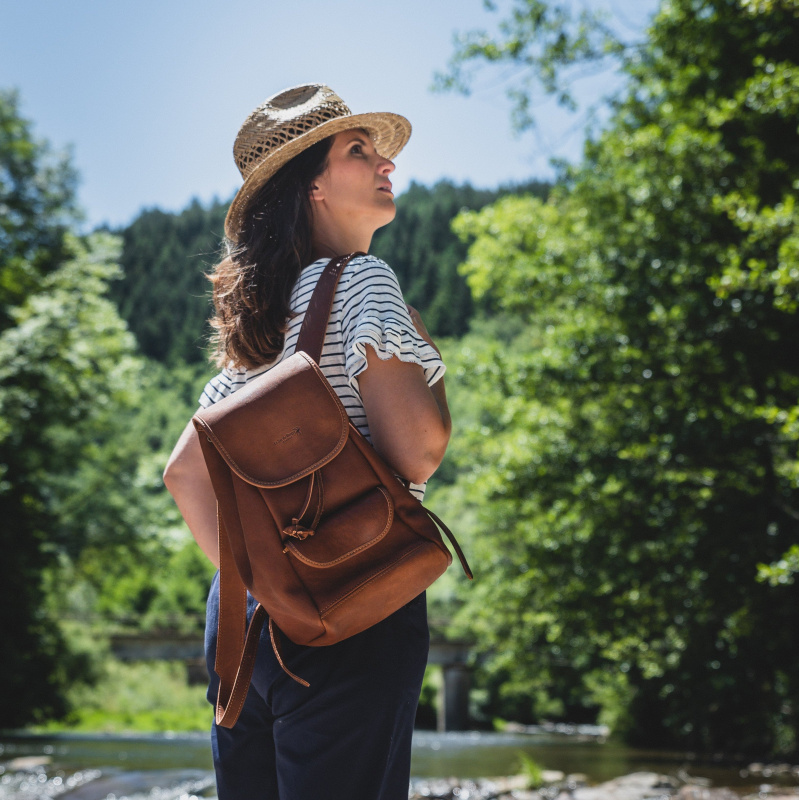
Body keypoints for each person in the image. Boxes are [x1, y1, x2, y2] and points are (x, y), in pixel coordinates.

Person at [163, 84, 452, 800]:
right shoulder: (363, 280)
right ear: (313, 186)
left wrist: (272, 585)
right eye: (359, 150)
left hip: (241, 624)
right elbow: (417, 453)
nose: (385, 162)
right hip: (354, 597)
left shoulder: (251, 332)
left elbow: (183, 475)